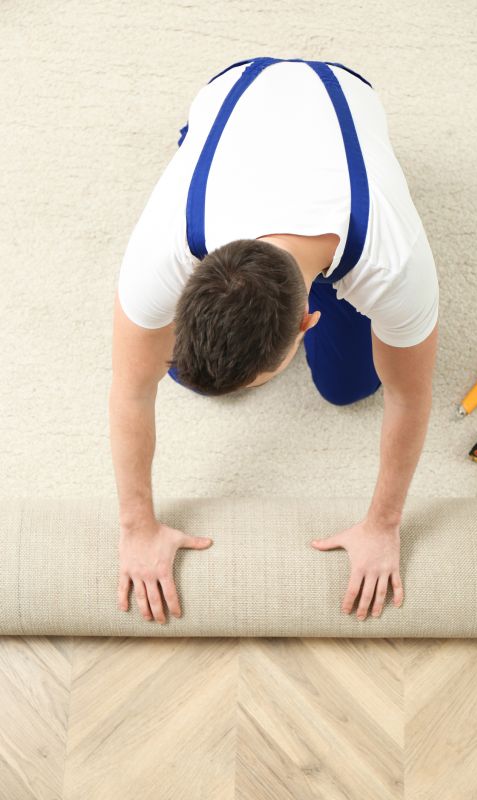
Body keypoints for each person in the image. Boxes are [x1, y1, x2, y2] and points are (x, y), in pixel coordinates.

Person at [109, 57, 439, 626]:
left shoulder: (395, 262)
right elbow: (129, 388)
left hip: (348, 97)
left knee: (348, 387)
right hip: (230, 85)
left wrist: (383, 526)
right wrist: (137, 528)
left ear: (308, 320)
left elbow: (410, 397)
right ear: (193, 286)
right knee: (190, 373)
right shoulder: (162, 249)